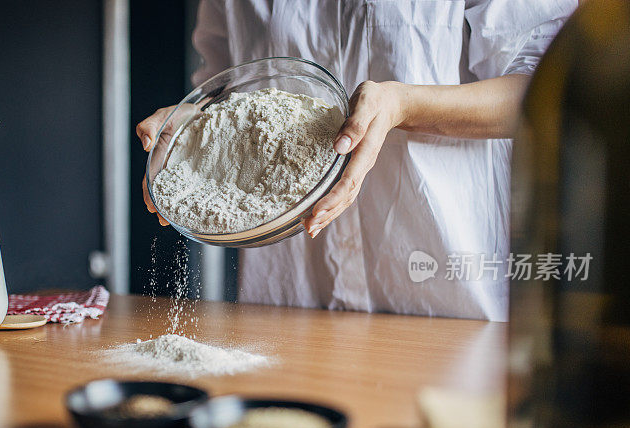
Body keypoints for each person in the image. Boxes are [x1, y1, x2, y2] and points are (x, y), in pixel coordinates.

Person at [136, 0, 577, 321]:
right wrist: (192, 127)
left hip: (443, 294)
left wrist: (403, 106)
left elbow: (549, 87)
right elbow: (226, 86)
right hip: (292, 301)